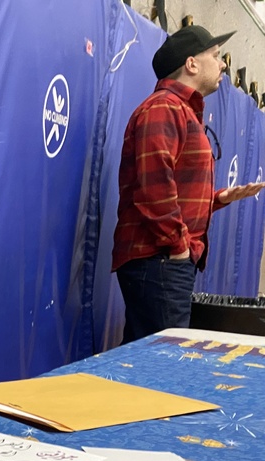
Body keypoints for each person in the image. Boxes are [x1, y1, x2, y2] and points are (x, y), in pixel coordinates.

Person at [111, 25, 265, 344]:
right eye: (216, 56)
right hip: (162, 260)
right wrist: (179, 247)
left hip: (165, 261)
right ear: (192, 64)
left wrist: (219, 197)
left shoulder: (180, 111)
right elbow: (153, 189)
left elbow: (172, 189)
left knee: (148, 361)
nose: (223, 64)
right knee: (163, 364)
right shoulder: (164, 108)